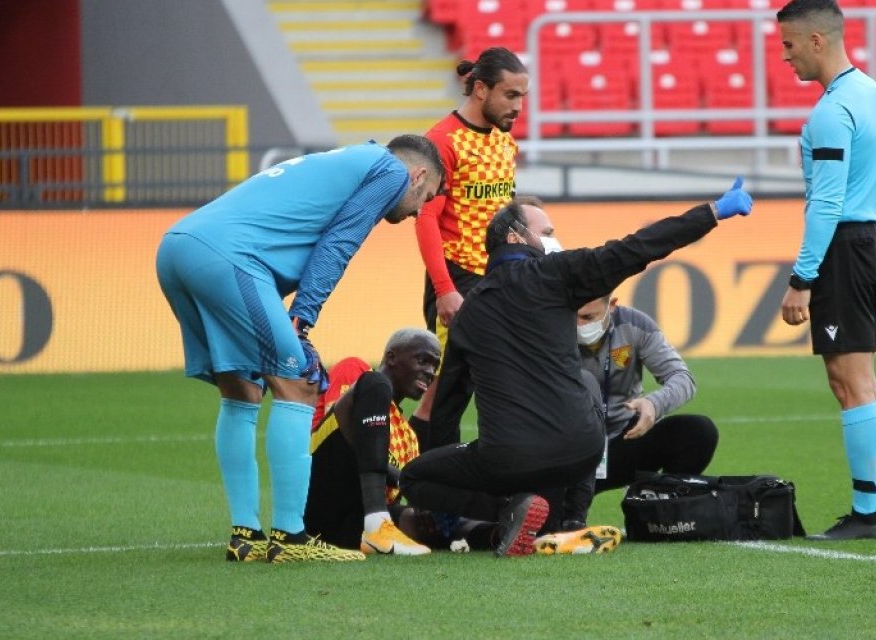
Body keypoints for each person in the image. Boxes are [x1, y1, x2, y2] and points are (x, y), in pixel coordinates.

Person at [399, 181, 753, 557]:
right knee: (580, 391)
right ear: (517, 237)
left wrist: (450, 489)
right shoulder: (557, 275)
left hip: (511, 459)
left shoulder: (469, 314)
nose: (554, 240)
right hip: (583, 451)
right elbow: (637, 247)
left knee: (415, 476)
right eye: (547, 233)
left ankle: (508, 513)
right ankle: (558, 521)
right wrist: (711, 213)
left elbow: (447, 410)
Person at [155, 135, 445, 563]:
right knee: (299, 384)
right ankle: (290, 537)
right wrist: (303, 319)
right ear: (417, 175)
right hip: (229, 256)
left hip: (179, 246)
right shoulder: (389, 172)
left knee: (242, 392)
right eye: (427, 196)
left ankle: (245, 534)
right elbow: (339, 243)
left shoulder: (350, 159)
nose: (421, 209)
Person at [774, 0, 876, 540]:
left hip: (845, 247)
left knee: (848, 382)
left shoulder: (832, 112)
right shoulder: (870, 91)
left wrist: (801, 279)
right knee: (866, 382)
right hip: (872, 241)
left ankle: (867, 514)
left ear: (816, 41)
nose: (784, 57)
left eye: (789, 45)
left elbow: (826, 204)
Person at [412, 47, 530, 425]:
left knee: (505, 387)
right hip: (458, 279)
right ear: (481, 89)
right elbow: (426, 218)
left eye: (522, 97)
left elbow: (505, 208)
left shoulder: (503, 141)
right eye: (510, 96)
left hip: (499, 278)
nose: (518, 107)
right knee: (442, 396)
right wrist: (445, 289)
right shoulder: (443, 141)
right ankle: (415, 478)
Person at [570, 294, 718, 519]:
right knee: (553, 524)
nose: (578, 325)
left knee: (699, 431)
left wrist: (653, 404)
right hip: (569, 451)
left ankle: (661, 510)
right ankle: (565, 509)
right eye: (574, 316)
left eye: (588, 317)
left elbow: (682, 378)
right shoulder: (549, 328)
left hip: (623, 439)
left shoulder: (635, 324)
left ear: (612, 305)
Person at [304, 329, 441, 556]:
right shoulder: (359, 372)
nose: (430, 372)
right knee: (376, 384)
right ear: (391, 357)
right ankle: (377, 524)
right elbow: (340, 434)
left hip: (349, 527)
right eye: (423, 360)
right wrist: (406, 479)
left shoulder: (408, 437)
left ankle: (498, 530)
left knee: (429, 520)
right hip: (320, 492)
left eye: (434, 366)